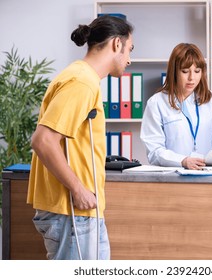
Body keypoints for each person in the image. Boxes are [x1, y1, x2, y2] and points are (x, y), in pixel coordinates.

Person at [27, 15, 134, 260]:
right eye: (129, 49)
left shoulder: (79, 76)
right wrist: (78, 189)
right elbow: (42, 140)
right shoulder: (82, 82)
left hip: (73, 213)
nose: (129, 59)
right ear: (116, 44)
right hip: (73, 213)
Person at [140, 43, 212, 170]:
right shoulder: (156, 103)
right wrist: (182, 161)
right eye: (185, 71)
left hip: (207, 173)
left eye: (197, 71)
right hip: (173, 175)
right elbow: (154, 151)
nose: (192, 78)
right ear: (174, 72)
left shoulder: (211, 100)